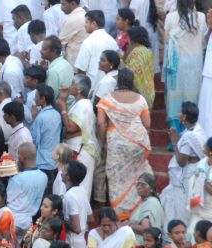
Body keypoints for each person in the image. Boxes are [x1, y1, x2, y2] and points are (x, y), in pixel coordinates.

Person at [97, 69, 152, 220]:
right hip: (138, 143)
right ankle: (137, 211)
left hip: (117, 144)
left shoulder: (106, 99)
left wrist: (104, 142)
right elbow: (147, 123)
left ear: (118, 80)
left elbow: (101, 124)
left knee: (117, 179)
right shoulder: (140, 99)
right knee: (136, 176)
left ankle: (121, 215)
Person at [164, 0, 208, 126]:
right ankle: (191, 126)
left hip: (176, 63)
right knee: (192, 93)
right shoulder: (200, 17)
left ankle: (175, 130)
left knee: (175, 94)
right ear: (192, 1)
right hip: (194, 62)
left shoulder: (170, 17)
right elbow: (204, 41)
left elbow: (166, 40)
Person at [162, 102, 207, 229]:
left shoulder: (189, 136)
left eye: (180, 112)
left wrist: (174, 141)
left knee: (183, 210)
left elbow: (181, 162)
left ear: (185, 117)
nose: (178, 114)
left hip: (188, 177)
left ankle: (183, 233)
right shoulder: (198, 129)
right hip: (196, 173)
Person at [57, 75, 98, 200]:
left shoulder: (84, 105)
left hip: (81, 151)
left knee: (80, 190)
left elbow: (71, 128)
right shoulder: (79, 103)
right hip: (76, 149)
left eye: (73, 83)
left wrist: (63, 108)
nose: (70, 86)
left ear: (79, 89)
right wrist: (63, 100)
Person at [7, 143, 48, 239]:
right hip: (28, 223)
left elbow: (7, 199)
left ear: (23, 158)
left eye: (18, 157)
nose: (17, 159)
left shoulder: (17, 179)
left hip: (12, 220)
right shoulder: (44, 177)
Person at [75, 10, 119, 93]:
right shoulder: (112, 41)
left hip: (92, 89)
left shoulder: (88, 41)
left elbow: (81, 69)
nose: (84, 25)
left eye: (86, 22)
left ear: (94, 23)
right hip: (110, 89)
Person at [62, 160, 92, 248]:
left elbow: (76, 228)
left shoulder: (70, 196)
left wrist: (62, 220)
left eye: (64, 170)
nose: (62, 171)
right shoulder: (81, 191)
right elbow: (91, 218)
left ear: (68, 177)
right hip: (80, 242)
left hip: (73, 244)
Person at [30, 84, 61, 174]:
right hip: (54, 160)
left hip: (42, 161)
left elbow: (34, 140)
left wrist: (34, 117)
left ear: (43, 99)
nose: (34, 99)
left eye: (36, 96)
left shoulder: (40, 117)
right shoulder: (57, 114)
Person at [129, 173, 165, 244]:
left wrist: (129, 225)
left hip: (142, 244)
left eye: (143, 184)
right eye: (138, 184)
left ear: (151, 189)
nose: (139, 187)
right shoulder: (146, 202)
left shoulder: (151, 203)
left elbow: (145, 229)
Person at [124, 26, 155, 108]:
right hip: (149, 91)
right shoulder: (148, 51)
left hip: (138, 94)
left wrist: (122, 66)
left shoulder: (136, 53)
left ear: (132, 39)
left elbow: (131, 74)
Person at [58, 0, 88, 65]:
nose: (61, 8)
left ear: (73, 4)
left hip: (76, 59)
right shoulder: (84, 14)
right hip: (84, 57)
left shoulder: (72, 19)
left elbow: (60, 42)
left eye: (64, 4)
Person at [188, 138, 212, 229]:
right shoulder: (203, 162)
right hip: (198, 209)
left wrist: (202, 179)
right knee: (192, 233)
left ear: (210, 151)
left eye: (205, 145)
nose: (203, 146)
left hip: (209, 212)